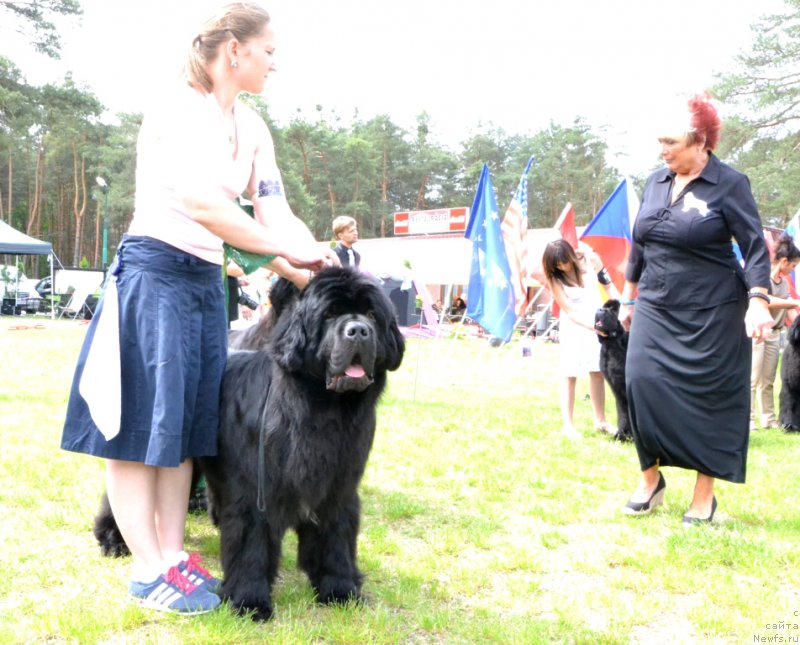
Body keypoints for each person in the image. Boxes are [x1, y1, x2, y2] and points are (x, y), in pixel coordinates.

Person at [60, 3, 336, 614]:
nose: (275, 63)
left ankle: (174, 554)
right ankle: (146, 568)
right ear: (234, 50)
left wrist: (311, 264)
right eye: (269, 52)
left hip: (203, 281)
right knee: (138, 427)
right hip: (154, 272)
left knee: (186, 425)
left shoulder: (254, 126)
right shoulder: (178, 109)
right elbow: (207, 207)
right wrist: (291, 252)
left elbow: (273, 213)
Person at [618, 93, 773, 525]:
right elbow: (640, 243)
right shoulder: (655, 181)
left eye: (672, 143)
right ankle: (651, 480)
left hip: (713, 309)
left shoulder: (729, 183)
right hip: (655, 302)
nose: (663, 151)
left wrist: (758, 300)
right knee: (640, 382)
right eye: (661, 144)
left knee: (711, 398)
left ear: (701, 141)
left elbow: (755, 246)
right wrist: (629, 296)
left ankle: (704, 497)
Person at [542, 239, 620, 439]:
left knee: (597, 371)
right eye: (557, 265)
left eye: (564, 261)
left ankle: (600, 421)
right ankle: (568, 425)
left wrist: (622, 309)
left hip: (598, 321)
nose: (563, 266)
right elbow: (569, 311)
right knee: (569, 374)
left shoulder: (591, 259)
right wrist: (594, 327)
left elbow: (609, 287)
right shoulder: (554, 277)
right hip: (574, 326)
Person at [750, 233, 800, 430]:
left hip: (775, 333)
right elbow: (765, 301)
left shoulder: (785, 283)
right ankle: (749, 419)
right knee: (753, 378)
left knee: (769, 380)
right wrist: (794, 301)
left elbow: (789, 312)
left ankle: (770, 419)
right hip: (758, 332)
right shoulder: (763, 279)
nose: (793, 270)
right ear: (784, 261)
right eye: (793, 266)